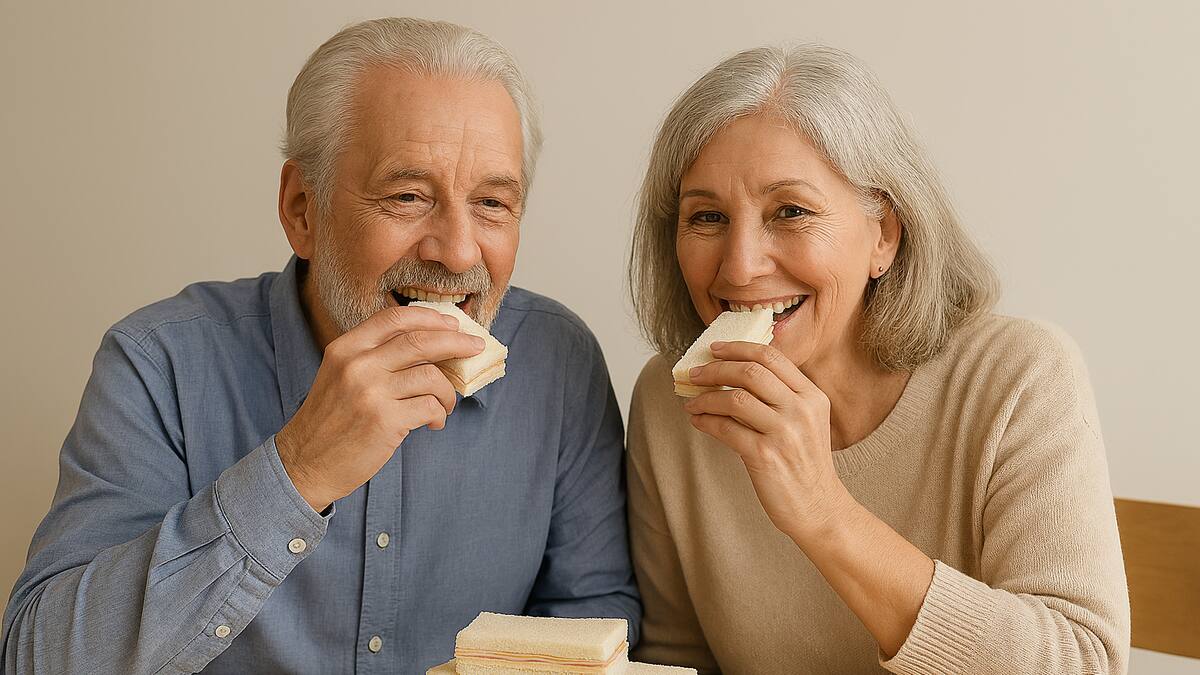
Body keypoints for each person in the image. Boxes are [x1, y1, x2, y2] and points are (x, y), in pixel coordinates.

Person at [4, 18, 639, 674]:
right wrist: (298, 470)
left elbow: (594, 622)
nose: (456, 251)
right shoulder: (156, 364)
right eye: (408, 196)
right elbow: (37, 659)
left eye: (492, 204)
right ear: (302, 209)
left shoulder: (559, 362)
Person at [626, 44, 1128, 674]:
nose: (741, 265)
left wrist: (823, 511)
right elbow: (673, 659)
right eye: (707, 217)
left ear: (884, 234)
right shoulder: (670, 401)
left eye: (791, 211)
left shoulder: (1019, 377)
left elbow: (1083, 661)